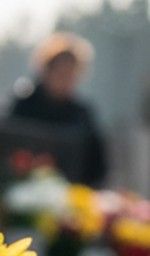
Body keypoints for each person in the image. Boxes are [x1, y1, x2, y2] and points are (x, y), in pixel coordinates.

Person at [6, 33, 107, 187]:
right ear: (47, 70)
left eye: (70, 73)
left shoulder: (82, 114)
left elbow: (98, 165)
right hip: (21, 193)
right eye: (60, 71)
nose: (64, 78)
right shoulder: (24, 104)